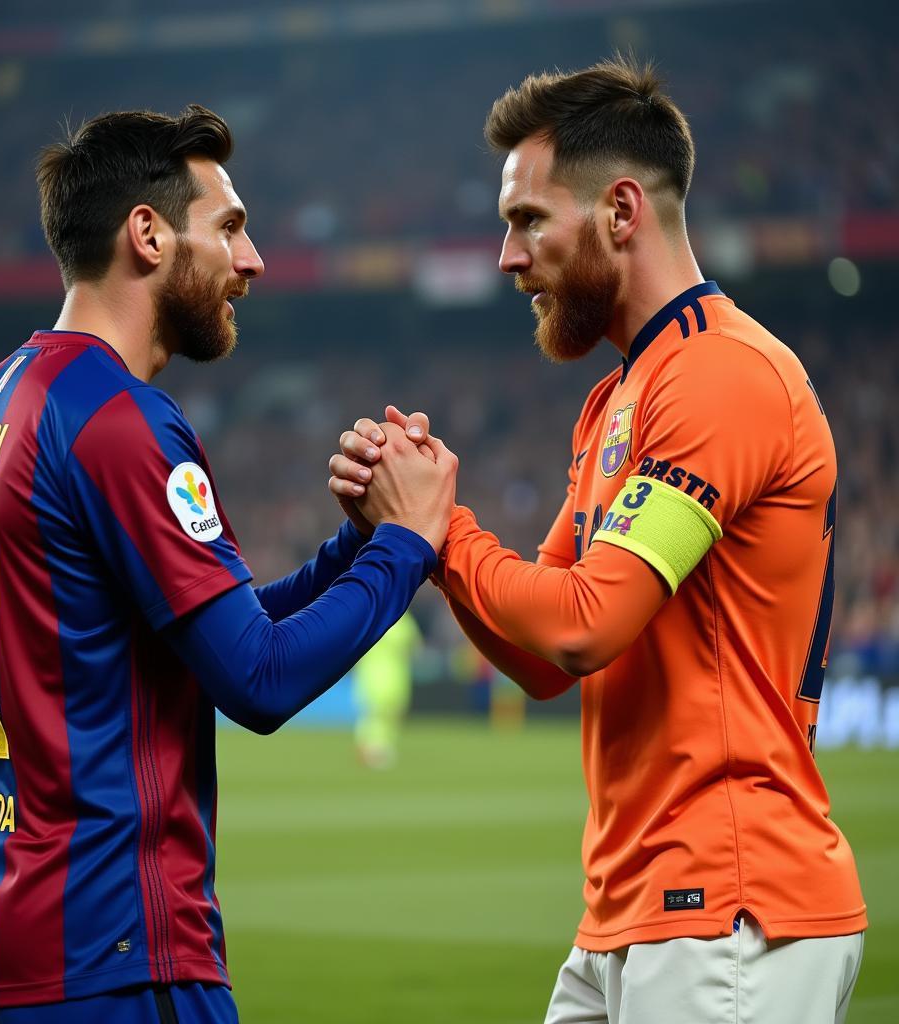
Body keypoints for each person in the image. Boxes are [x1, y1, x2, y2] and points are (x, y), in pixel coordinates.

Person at [331, 58, 866, 1024]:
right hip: (634, 910)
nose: (507, 255)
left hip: (729, 911)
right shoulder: (620, 399)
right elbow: (544, 662)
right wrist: (421, 540)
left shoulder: (719, 376)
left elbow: (583, 626)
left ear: (621, 211)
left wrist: (438, 528)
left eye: (529, 219)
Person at [0, 105, 457, 1023]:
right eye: (232, 227)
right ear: (148, 233)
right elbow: (258, 677)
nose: (251, 262)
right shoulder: (117, 419)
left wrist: (355, 547)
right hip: (109, 951)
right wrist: (411, 544)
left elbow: (208, 635)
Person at [353, 610, 422, 768]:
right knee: (378, 713)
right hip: (385, 675)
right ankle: (374, 749)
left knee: (380, 713)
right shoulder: (402, 619)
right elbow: (415, 647)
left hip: (380, 675)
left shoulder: (369, 616)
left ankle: (375, 747)